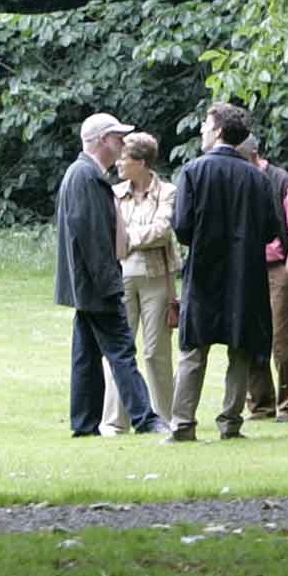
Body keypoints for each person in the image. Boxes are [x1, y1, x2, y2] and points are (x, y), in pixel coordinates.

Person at [166, 103, 282, 442]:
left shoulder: (193, 172)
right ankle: (230, 422)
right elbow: (272, 229)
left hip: (203, 272)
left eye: (205, 124)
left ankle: (183, 423)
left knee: (193, 350)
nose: (202, 129)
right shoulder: (257, 178)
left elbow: (183, 228)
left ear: (218, 131)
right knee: (241, 349)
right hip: (245, 274)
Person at [55, 113, 169, 437]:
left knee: (86, 356)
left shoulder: (81, 173)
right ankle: (146, 419)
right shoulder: (87, 176)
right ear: (103, 140)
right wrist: (110, 285)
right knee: (122, 351)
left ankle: (84, 424)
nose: (121, 145)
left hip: (85, 286)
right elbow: (93, 238)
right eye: (117, 138)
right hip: (96, 285)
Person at [99, 132, 180, 434]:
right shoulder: (114, 192)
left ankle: (165, 418)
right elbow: (110, 232)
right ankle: (114, 421)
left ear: (142, 162)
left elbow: (162, 231)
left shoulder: (168, 192)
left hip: (157, 277)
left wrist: (127, 238)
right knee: (120, 349)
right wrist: (130, 239)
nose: (118, 162)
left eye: (124, 157)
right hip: (121, 277)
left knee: (155, 351)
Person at [237, 134, 288, 422]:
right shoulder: (238, 178)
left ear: (253, 150)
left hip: (276, 267)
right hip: (245, 269)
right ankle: (260, 405)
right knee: (248, 336)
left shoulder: (281, 180)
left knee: (284, 339)